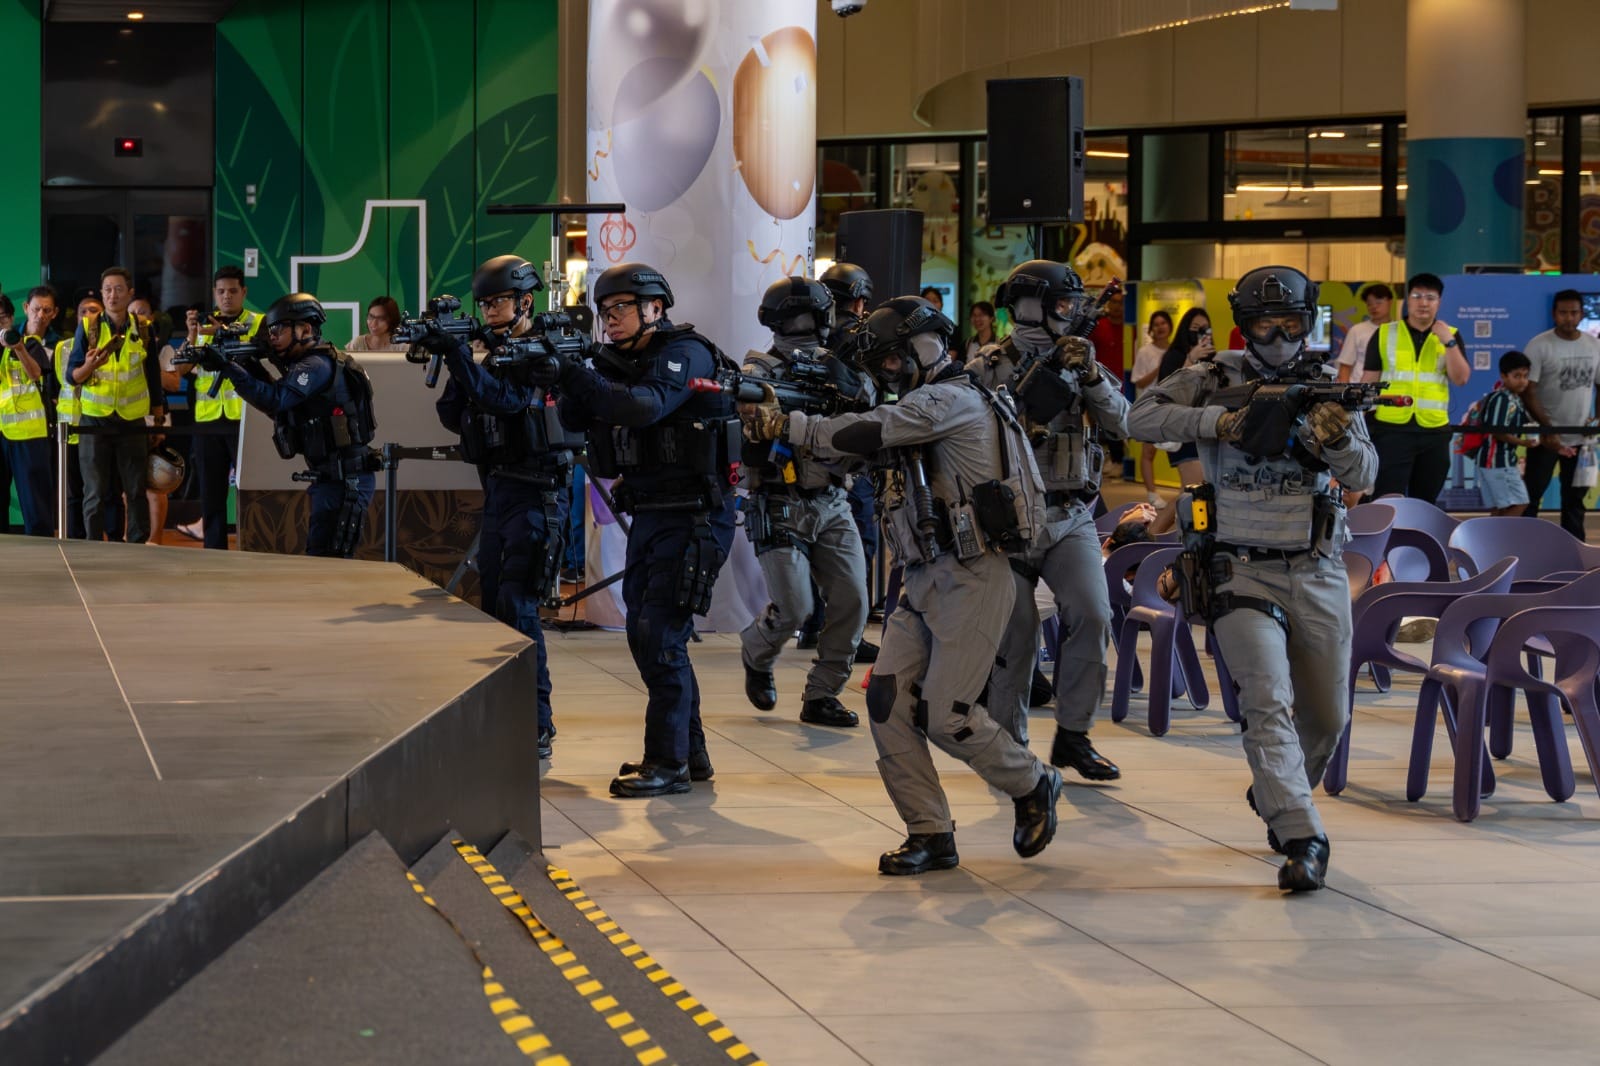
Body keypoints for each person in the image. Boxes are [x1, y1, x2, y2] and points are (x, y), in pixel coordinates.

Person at [742, 295, 1063, 875]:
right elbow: (861, 451)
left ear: (927, 345)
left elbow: (878, 428)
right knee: (888, 704)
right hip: (922, 579)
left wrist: (792, 422)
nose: (887, 372)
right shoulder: (921, 402)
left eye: (893, 360)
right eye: (880, 364)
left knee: (950, 715)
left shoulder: (952, 398)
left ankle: (1034, 782)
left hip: (975, 574)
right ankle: (930, 831)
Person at [1130, 265, 1377, 893]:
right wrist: (1220, 424)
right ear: (1243, 325)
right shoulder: (1211, 378)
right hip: (1236, 566)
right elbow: (1139, 417)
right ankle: (1301, 833)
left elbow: (1365, 473)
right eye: (1263, 323)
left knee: (1328, 714)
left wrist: (1336, 435)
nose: (1276, 334)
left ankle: (1278, 786)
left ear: (1308, 323)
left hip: (1317, 568)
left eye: (1290, 322)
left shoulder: (1325, 385)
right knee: (1266, 703)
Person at [555, 263, 738, 798]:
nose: (609, 321)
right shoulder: (615, 362)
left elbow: (645, 407)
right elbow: (572, 419)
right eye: (603, 313)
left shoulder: (687, 353)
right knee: (651, 632)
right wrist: (561, 369)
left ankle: (667, 762)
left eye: (621, 310)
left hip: (697, 514)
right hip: (654, 512)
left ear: (656, 307)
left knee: (659, 634)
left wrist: (577, 373)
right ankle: (689, 756)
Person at [969, 259, 1128, 783]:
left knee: (1093, 613)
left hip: (1069, 512)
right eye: (1061, 303)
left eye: (1073, 304)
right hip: (1005, 524)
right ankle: (1010, 751)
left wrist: (1086, 375)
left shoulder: (1079, 358)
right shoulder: (987, 367)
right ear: (1030, 305)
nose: (1070, 312)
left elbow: (1123, 420)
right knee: (1013, 641)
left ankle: (1074, 735)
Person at [431, 255, 575, 761]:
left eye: (499, 301)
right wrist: (465, 359)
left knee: (519, 606)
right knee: (494, 607)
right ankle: (508, 715)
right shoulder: (489, 350)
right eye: (485, 302)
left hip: (537, 494)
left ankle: (536, 722)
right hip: (497, 489)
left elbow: (508, 402)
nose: (490, 310)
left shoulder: (544, 351)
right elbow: (452, 411)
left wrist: (465, 362)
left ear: (525, 302)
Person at [737, 277, 870, 730]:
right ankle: (757, 652)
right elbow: (750, 423)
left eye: (811, 317)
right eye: (799, 317)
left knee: (853, 601)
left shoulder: (841, 367)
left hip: (833, 498)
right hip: (778, 499)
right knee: (795, 609)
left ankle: (822, 693)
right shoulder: (759, 373)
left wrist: (846, 382)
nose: (806, 326)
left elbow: (869, 408)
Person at [208, 293, 378, 557]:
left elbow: (276, 400)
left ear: (306, 329)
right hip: (332, 478)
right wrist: (247, 365)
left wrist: (231, 369)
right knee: (322, 557)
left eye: (277, 330)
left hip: (345, 481)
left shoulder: (316, 364)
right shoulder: (310, 364)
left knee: (328, 560)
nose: (272, 337)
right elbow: (280, 402)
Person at [804, 260, 880, 665]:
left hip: (813, 442)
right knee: (857, 543)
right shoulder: (860, 337)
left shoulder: (814, 338)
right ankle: (844, 629)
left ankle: (817, 623)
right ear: (860, 300)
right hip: (852, 446)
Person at [66, 267, 167, 543]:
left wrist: (158, 421)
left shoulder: (144, 329)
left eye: (119, 289)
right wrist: (88, 365)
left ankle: (135, 545)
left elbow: (153, 379)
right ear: (102, 294)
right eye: (107, 289)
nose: (112, 295)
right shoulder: (88, 327)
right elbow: (72, 377)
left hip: (132, 419)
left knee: (135, 489)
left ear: (129, 293)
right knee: (95, 491)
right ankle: (92, 546)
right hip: (94, 419)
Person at [168, 267, 263, 548]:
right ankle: (214, 550)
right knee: (211, 492)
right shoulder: (205, 327)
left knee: (251, 491)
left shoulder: (257, 324)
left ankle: (253, 545)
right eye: (221, 291)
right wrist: (192, 335)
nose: (227, 297)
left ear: (244, 292)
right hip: (208, 420)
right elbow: (181, 368)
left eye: (233, 291)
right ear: (214, 293)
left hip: (246, 419)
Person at [1359, 272, 1470, 503]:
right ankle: (1386, 540)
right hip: (1391, 429)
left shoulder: (1451, 336)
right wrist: (1358, 422)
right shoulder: (1385, 333)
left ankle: (1419, 540)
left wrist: (1448, 342)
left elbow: (1461, 378)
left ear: (1439, 302)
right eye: (1417, 296)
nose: (1423, 302)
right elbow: (1368, 382)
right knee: (1386, 500)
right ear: (1407, 300)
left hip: (1434, 430)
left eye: (1430, 297)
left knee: (1426, 502)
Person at [1519, 289, 1600, 539]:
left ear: (1581, 314)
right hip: (1546, 438)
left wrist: (1597, 419)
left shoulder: (1594, 345)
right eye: (1563, 313)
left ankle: (1574, 554)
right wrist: (1547, 428)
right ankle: (1525, 550)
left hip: (1581, 439)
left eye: (1573, 312)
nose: (1568, 318)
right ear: (1554, 314)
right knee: (1531, 497)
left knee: (1575, 502)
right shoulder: (1539, 344)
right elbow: (1528, 390)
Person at [0, 287, 60, 535]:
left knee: (36, 508)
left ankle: (45, 561)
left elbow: (35, 372)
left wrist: (17, 347)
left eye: (2, 318)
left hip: (29, 435)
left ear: (12, 319)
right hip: (1, 432)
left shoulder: (29, 343)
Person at [130, 294, 175, 544]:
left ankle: (156, 539)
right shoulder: (118, 342)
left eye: (143, 311)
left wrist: (147, 359)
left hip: (156, 417)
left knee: (155, 482)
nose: (138, 316)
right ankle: (130, 536)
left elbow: (173, 382)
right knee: (129, 484)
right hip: (129, 418)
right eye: (133, 312)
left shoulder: (163, 347)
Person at [1474, 351, 1536, 517]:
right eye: (1517, 376)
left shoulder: (1515, 398)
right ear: (1504, 376)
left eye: (1525, 375)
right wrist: (1524, 443)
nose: (1523, 381)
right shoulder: (1502, 399)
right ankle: (1502, 539)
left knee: (1500, 508)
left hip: (1501, 460)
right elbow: (1497, 431)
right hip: (1496, 461)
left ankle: (1490, 541)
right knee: (1520, 502)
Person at [1132, 309, 1173, 507]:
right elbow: (1139, 382)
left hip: (1173, 405)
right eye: (1156, 324)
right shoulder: (1145, 352)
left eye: (1163, 323)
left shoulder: (1176, 350)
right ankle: (1152, 494)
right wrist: (1161, 367)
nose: (1160, 327)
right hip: (1150, 406)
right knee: (1148, 451)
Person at [1334, 283, 1393, 383]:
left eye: (1378, 302)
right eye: (1369, 304)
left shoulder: (1397, 330)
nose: (1374, 307)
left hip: (1390, 390)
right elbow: (1345, 365)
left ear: (1390, 302)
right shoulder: (1357, 330)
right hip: (1360, 389)